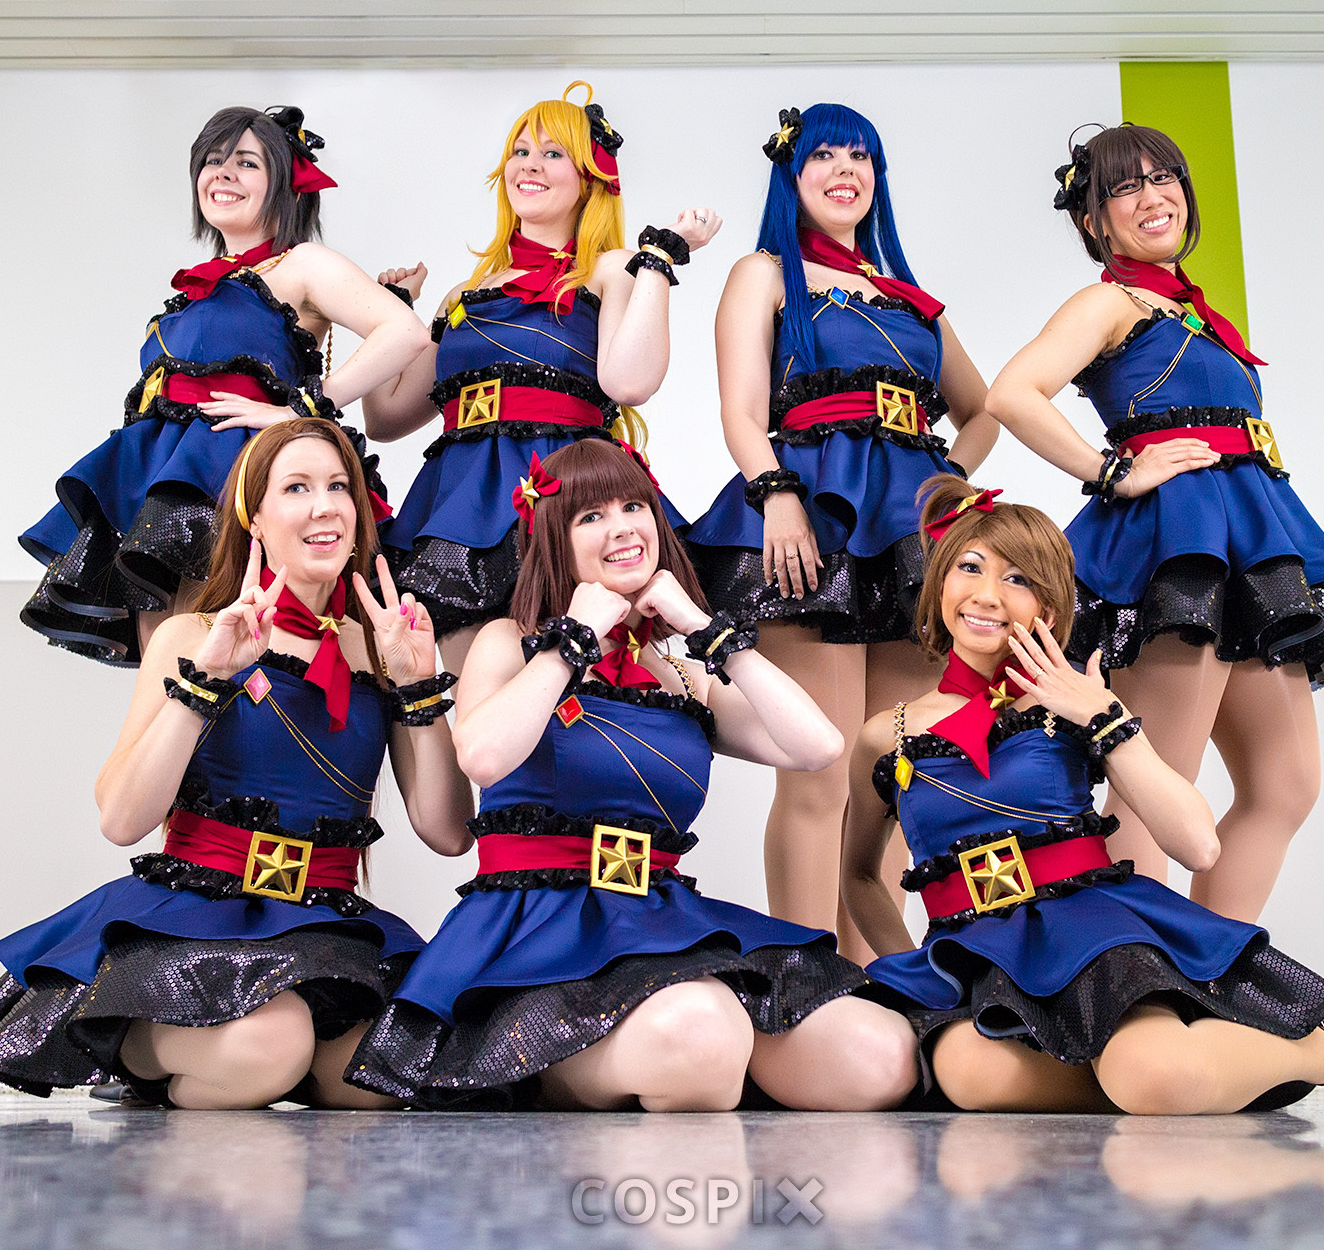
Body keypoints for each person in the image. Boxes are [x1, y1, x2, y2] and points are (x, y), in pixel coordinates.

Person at [347, 439, 919, 1111]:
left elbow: (818, 746)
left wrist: (704, 628)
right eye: (590, 516)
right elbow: (484, 757)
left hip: (656, 914)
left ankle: (678, 1068)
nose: (621, 527)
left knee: (881, 1059)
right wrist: (572, 640)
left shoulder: (676, 671)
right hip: (540, 928)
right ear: (552, 538)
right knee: (702, 1035)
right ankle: (537, 1069)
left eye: (633, 506)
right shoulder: (509, 641)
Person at [844, 476, 1324, 1115]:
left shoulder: (1075, 702)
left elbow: (1197, 846)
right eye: (969, 568)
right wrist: (916, 971)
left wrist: (1105, 719)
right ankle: (1184, 1073)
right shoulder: (885, 736)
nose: (986, 595)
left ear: (1048, 611)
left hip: (1092, 935)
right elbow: (860, 875)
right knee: (973, 1077)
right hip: (974, 950)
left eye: (1017, 579)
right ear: (939, 583)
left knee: (1149, 1075)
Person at [0, 418, 474, 1109]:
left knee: (389, 1075)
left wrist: (417, 686)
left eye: (338, 487)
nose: (324, 506)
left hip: (325, 925)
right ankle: (141, 1060)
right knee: (273, 1045)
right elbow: (122, 819)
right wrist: (206, 682)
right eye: (297, 488)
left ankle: (255, 1073)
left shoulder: (381, 647)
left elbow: (447, 832)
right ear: (254, 517)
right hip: (198, 917)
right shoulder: (192, 634)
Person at [982, 123, 1324, 919]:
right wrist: (1112, 471)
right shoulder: (1108, 301)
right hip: (1177, 551)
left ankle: (1215, 964)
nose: (1153, 196)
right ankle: (1138, 976)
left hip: (1252, 547)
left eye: (1164, 176)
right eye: (1124, 187)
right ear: (1093, 221)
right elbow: (1012, 393)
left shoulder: (1192, 311)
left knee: (1286, 785)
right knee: (1153, 784)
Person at [681, 103, 1000, 948]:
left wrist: (949, 485)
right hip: (811, 520)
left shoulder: (911, 302)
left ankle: (881, 986)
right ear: (792, 175)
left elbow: (983, 411)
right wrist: (776, 493)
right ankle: (804, 982)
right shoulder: (763, 273)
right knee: (819, 770)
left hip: (910, 539)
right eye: (823, 154)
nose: (844, 170)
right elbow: (740, 411)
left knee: (887, 778)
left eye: (861, 156)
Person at [21, 105, 432, 664]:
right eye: (213, 161)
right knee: (168, 658)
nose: (223, 173)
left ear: (283, 183)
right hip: (161, 484)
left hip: (234, 480)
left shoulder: (300, 264)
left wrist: (303, 410)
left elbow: (403, 331)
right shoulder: (198, 289)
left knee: (226, 648)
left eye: (246, 163)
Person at [376, 82, 722, 676]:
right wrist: (392, 313)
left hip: (568, 498)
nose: (530, 165)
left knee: (583, 690)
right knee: (482, 698)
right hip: (464, 501)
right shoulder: (463, 294)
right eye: (520, 152)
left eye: (552, 153)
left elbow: (629, 383)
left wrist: (660, 260)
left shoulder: (610, 268)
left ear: (590, 177)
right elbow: (387, 418)